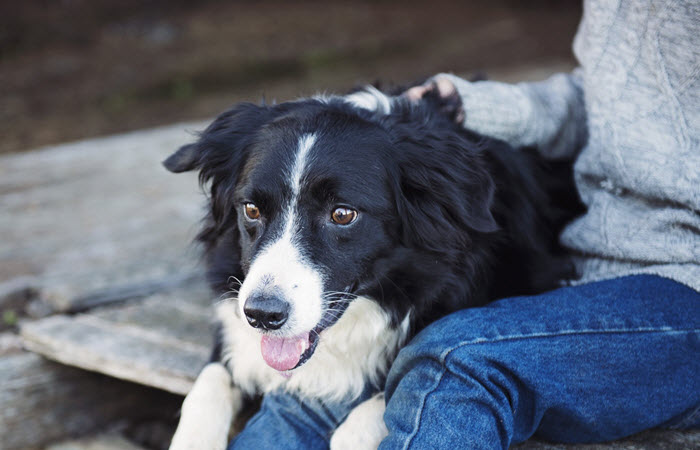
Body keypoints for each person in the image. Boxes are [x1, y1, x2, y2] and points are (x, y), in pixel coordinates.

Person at [230, 0, 700, 448]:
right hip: (591, 259)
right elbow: (614, 99)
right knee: (305, 396)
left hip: (684, 279)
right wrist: (470, 105)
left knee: (453, 362)